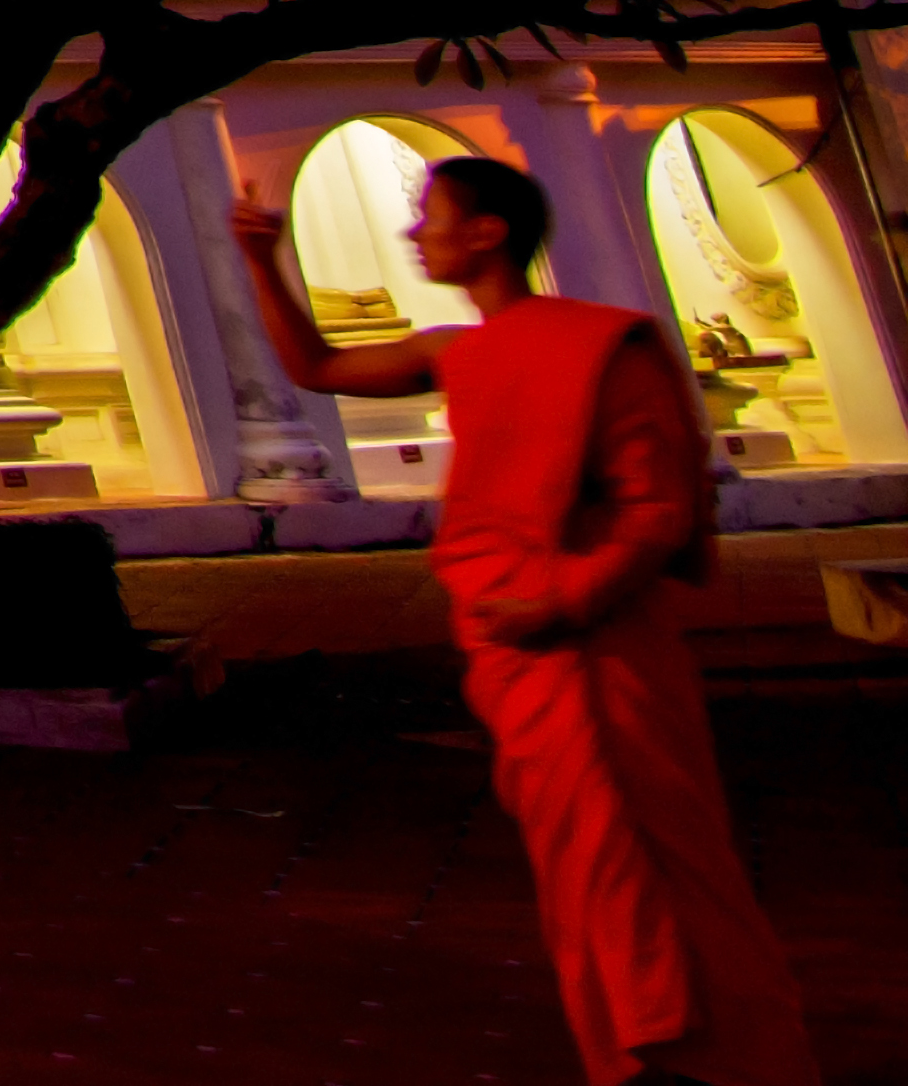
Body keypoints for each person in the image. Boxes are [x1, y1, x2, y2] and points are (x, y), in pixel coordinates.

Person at [230, 153, 811, 1086]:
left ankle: (718, 1054)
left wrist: (563, 600)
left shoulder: (598, 346)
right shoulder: (454, 351)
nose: (414, 232)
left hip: (596, 643)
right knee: (580, 868)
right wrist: (261, 260)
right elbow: (316, 366)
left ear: (488, 231)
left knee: (653, 855)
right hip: (517, 649)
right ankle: (632, 1046)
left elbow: (657, 510)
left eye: (431, 214)